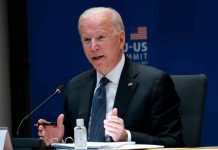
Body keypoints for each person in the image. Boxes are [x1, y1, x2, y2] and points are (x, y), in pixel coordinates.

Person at [38, 7, 183, 147]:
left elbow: (173, 143)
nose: (93, 47)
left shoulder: (154, 84)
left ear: (121, 39)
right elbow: (75, 142)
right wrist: (60, 140)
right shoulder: (75, 87)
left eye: (100, 37)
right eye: (87, 40)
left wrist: (127, 136)